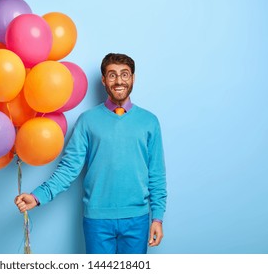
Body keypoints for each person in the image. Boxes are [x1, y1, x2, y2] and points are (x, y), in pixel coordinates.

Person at [15, 53, 167, 254]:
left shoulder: (149, 122)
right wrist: (37, 196)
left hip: (137, 219)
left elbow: (157, 175)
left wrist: (157, 217)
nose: (119, 80)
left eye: (125, 74)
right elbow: (68, 169)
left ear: (133, 78)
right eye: (112, 75)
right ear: (104, 80)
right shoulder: (87, 121)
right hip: (97, 221)